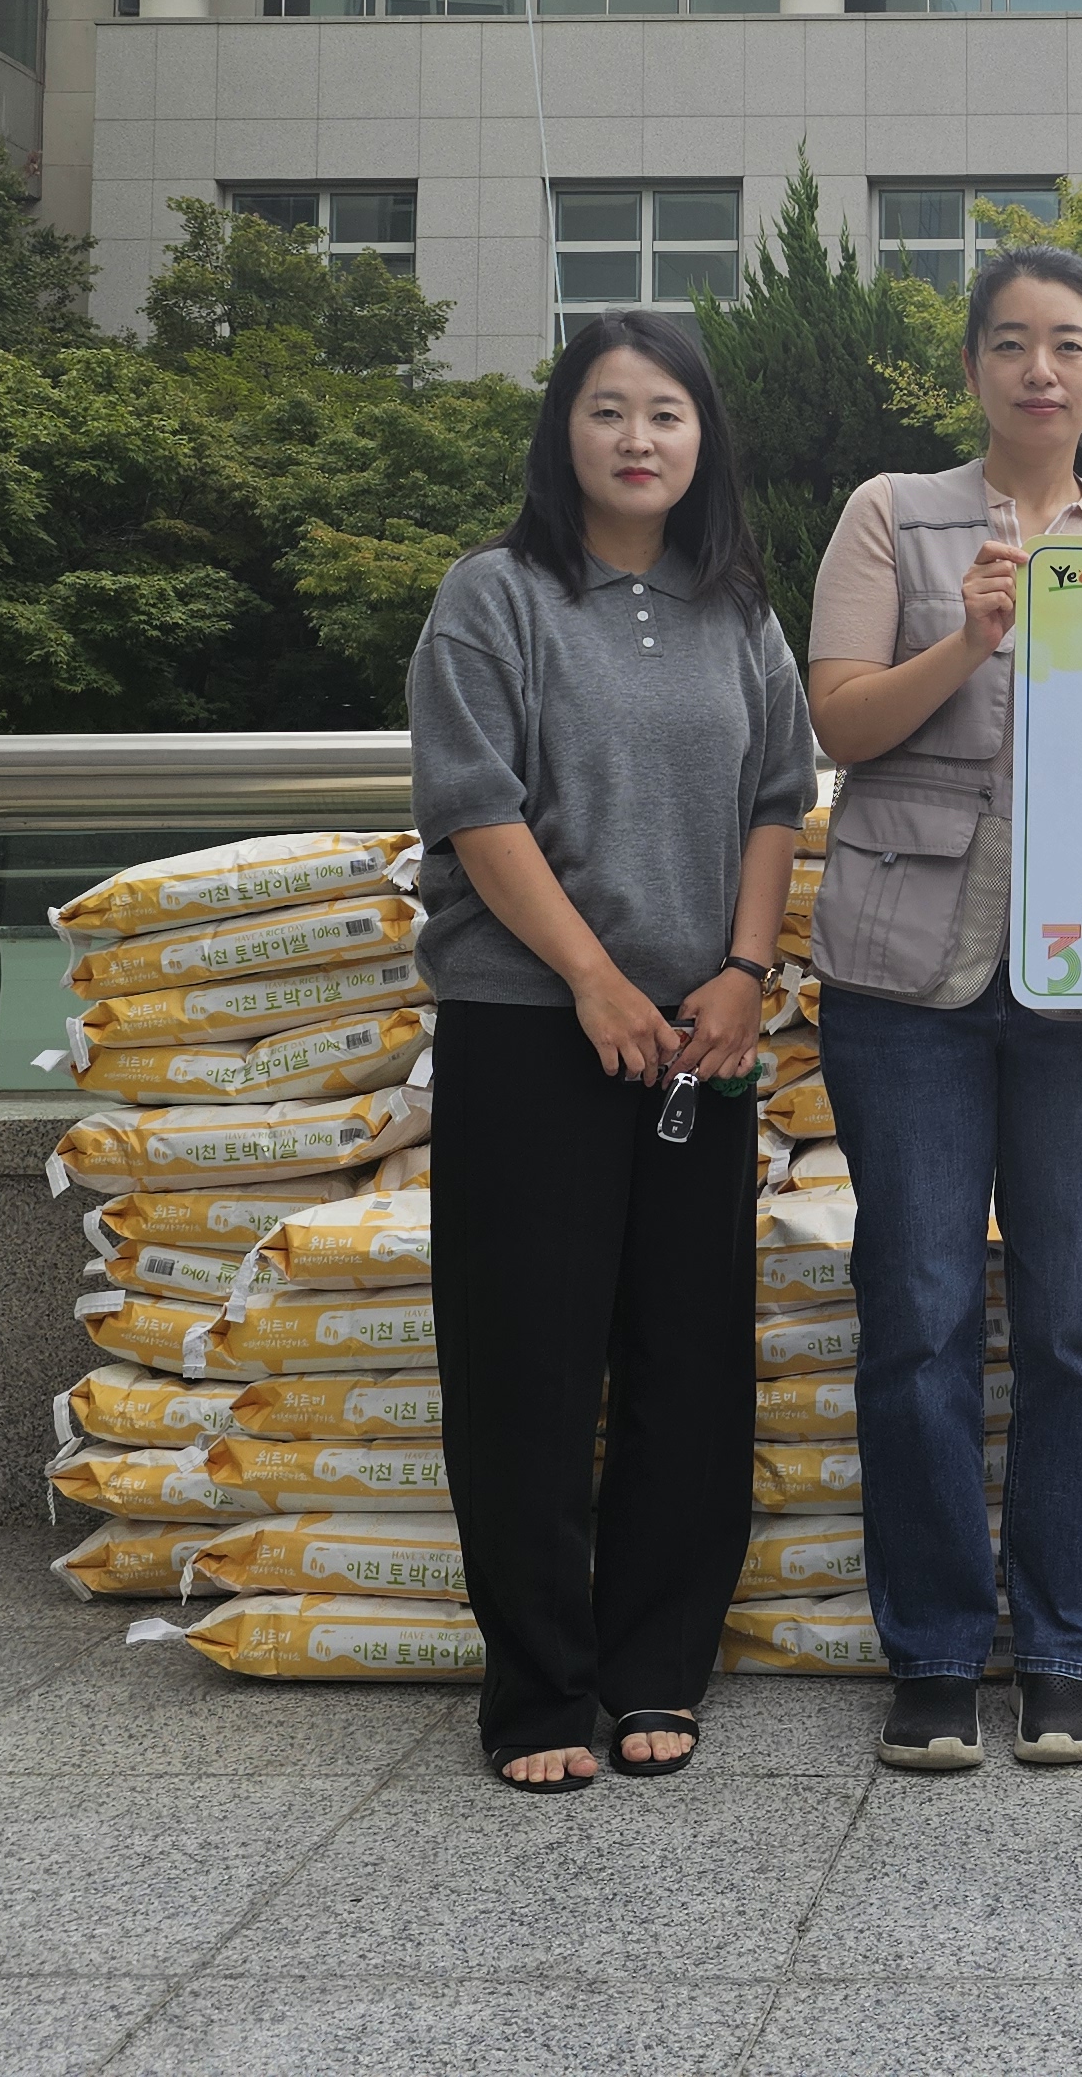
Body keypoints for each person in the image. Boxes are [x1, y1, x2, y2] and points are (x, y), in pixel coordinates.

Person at [407, 310, 813, 1790]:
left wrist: (743, 972)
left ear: (704, 442)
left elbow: (780, 795)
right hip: (532, 1027)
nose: (639, 440)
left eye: (667, 416)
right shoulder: (495, 597)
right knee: (524, 1362)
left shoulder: (741, 611)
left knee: (685, 1364)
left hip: (702, 1038)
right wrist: (589, 980)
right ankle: (534, 1692)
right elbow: (475, 804)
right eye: (607, 413)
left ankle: (658, 1667)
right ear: (561, 433)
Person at [806, 243, 1082, 1774]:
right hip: (908, 980)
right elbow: (837, 720)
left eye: (1070, 344)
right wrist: (965, 635)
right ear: (970, 369)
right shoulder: (891, 515)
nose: (1041, 368)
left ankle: (1065, 1650)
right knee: (920, 1316)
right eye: (1012, 342)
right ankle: (938, 1654)